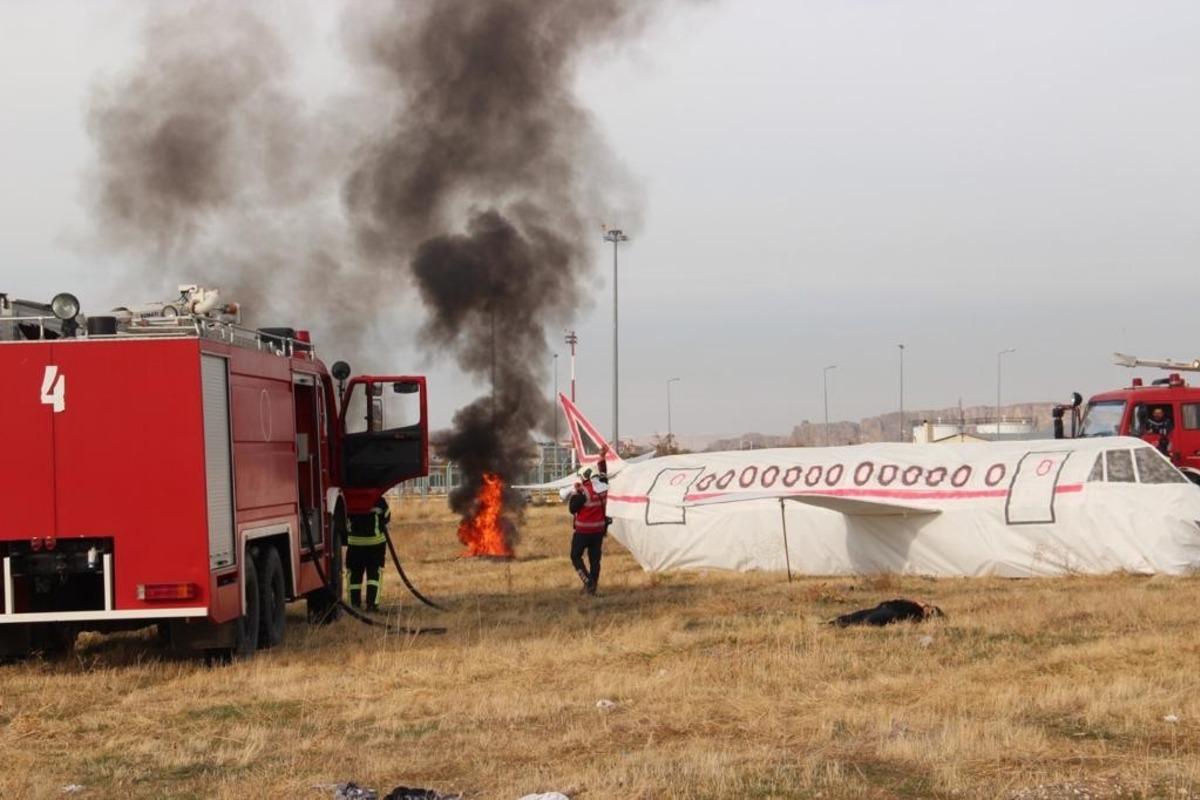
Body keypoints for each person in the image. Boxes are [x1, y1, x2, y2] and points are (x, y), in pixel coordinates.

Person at [566, 450, 609, 595]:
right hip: (598, 532)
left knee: (575, 556)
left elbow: (572, 509)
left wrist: (575, 493)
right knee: (595, 560)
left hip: (583, 532)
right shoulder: (603, 487)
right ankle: (593, 588)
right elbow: (604, 474)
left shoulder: (583, 492)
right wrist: (602, 458)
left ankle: (588, 582)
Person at [346, 496, 390, 611]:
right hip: (375, 544)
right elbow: (387, 516)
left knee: (354, 575)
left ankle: (354, 605)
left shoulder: (349, 497)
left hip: (355, 544)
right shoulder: (378, 499)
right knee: (374, 575)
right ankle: (372, 605)